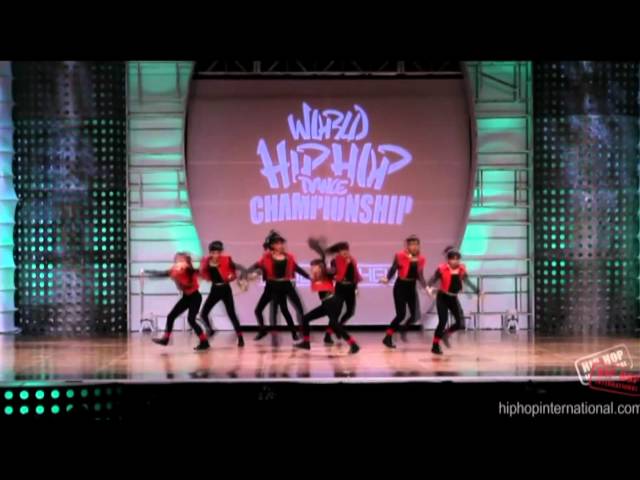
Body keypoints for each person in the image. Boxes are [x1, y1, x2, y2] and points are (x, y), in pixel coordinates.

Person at [294, 238, 360, 354]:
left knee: (335, 323)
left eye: (314, 267)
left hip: (332, 301)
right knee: (306, 319)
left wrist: (319, 250)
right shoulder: (317, 277)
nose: (312, 269)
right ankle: (306, 343)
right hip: (326, 303)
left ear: (320, 267)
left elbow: (329, 268)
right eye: (312, 267)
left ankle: (353, 344)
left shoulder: (326, 273)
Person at [144, 252, 209, 351]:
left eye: (182, 260)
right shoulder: (174, 270)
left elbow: (198, 274)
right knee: (171, 316)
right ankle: (165, 339)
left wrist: (204, 262)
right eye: (178, 260)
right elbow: (162, 273)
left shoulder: (189, 270)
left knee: (191, 320)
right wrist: (148, 272)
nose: (179, 262)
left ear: (186, 262)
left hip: (195, 297)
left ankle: (204, 342)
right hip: (186, 298)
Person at [426, 246, 483, 355]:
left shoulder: (461, 269)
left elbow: (467, 282)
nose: (455, 261)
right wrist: (429, 288)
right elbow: (432, 280)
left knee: (459, 323)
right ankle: (435, 345)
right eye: (453, 258)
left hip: (453, 298)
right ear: (448, 259)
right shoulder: (442, 269)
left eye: (457, 259)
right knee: (442, 321)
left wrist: (478, 291)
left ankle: (445, 335)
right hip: (442, 297)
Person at [379, 235, 427, 349]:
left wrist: (426, 287)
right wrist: (387, 278)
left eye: (416, 244)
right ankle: (388, 337)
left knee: (415, 315)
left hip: (411, 287)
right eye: (412, 244)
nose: (414, 247)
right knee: (401, 314)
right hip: (400, 286)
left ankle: (403, 329)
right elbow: (393, 268)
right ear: (407, 246)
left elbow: (420, 275)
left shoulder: (421, 259)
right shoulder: (400, 255)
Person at [198, 240, 247, 347]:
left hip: (225, 289)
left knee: (231, 314)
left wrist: (240, 277)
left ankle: (240, 337)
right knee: (203, 313)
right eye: (213, 252)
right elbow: (201, 272)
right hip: (215, 289)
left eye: (218, 252)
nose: (216, 255)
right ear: (210, 253)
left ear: (221, 252)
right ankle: (211, 330)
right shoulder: (206, 262)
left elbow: (239, 267)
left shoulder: (226, 260)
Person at [322, 241, 361, 344]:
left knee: (350, 312)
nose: (345, 252)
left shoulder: (352, 260)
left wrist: (356, 288)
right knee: (336, 313)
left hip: (351, 288)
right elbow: (333, 273)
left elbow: (354, 275)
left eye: (346, 250)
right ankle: (328, 335)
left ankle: (338, 327)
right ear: (339, 252)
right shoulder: (335, 261)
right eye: (342, 250)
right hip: (340, 288)